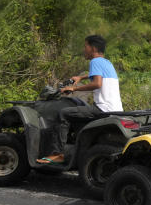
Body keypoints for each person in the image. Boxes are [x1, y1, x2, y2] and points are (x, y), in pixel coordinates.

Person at [38, 35, 122, 163]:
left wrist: (74, 89)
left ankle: (57, 154)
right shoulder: (106, 63)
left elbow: (97, 84)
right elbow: (97, 76)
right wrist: (81, 78)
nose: (84, 49)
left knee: (63, 114)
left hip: (102, 109)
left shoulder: (94, 62)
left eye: (85, 46)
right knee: (78, 111)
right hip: (115, 109)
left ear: (93, 48)